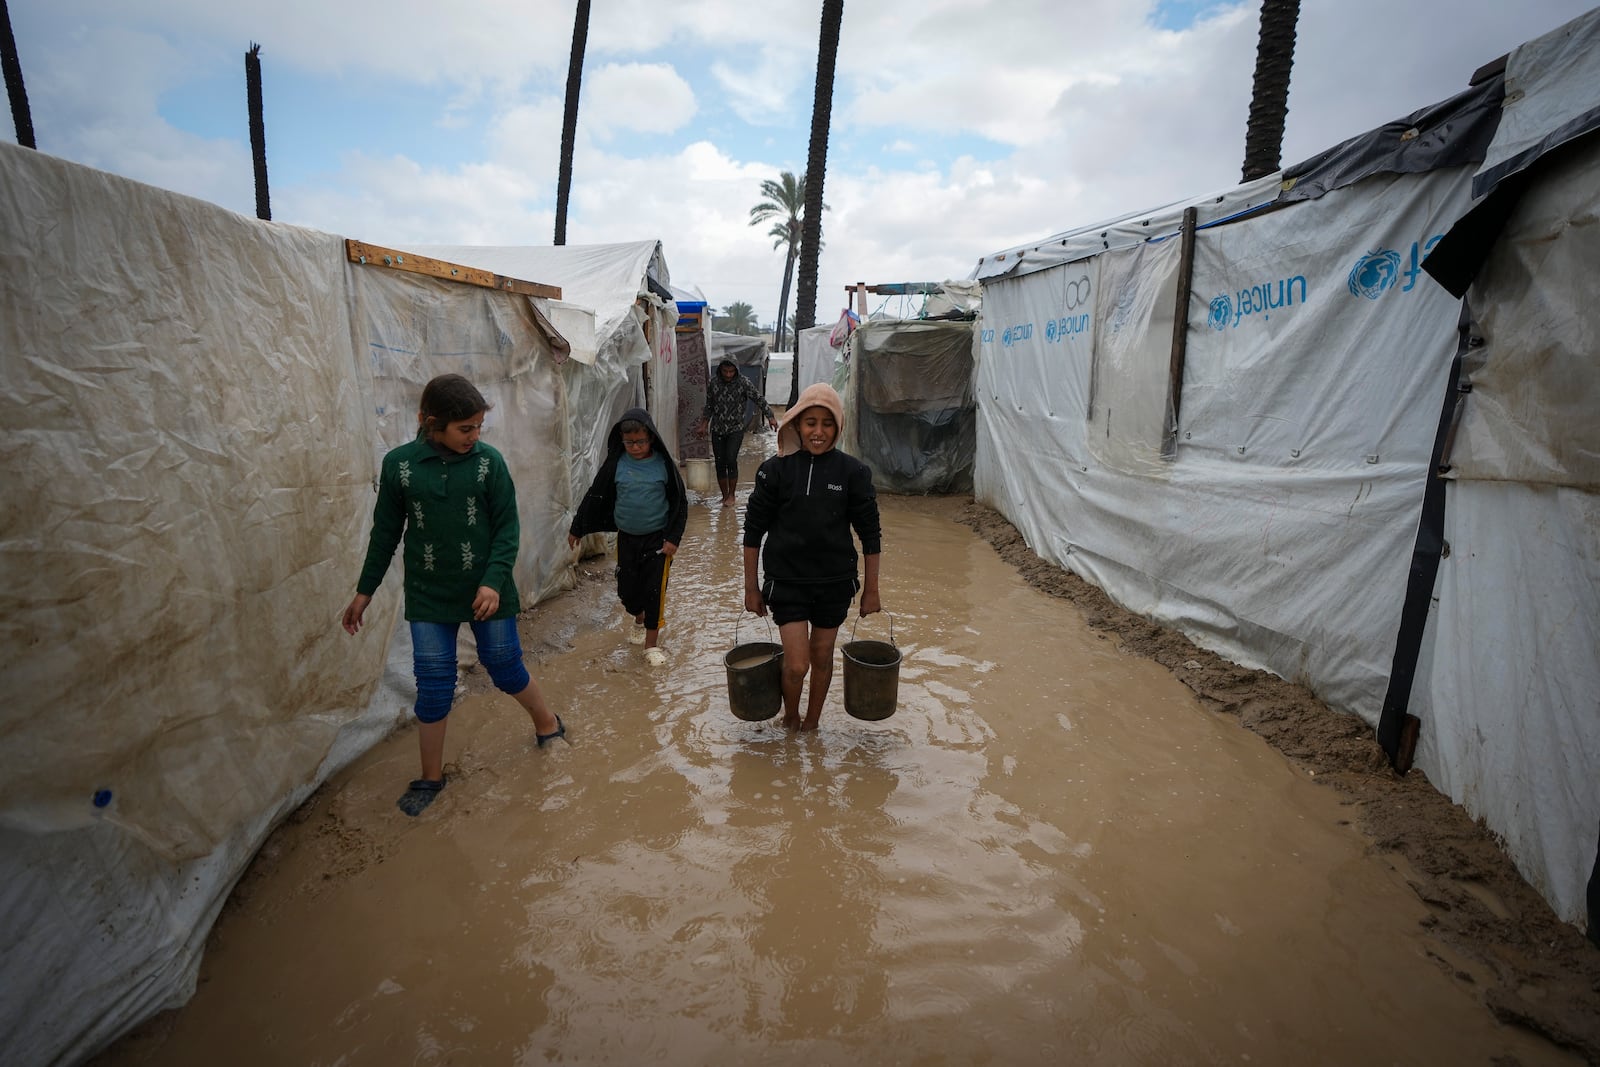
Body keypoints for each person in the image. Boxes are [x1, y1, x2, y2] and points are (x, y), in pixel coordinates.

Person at [343, 374, 566, 817]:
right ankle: (430, 777)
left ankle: (548, 724)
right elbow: (386, 533)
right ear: (430, 422)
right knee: (433, 684)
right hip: (429, 591)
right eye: (466, 428)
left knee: (504, 666)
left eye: (479, 427)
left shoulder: (489, 464)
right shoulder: (400, 466)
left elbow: (507, 529)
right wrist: (364, 591)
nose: (475, 436)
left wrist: (491, 580)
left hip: (489, 585)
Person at [742, 382, 882, 731]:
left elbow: (870, 535)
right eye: (810, 423)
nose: (818, 432)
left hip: (834, 583)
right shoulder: (774, 471)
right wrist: (751, 588)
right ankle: (790, 717)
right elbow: (753, 532)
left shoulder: (853, 473)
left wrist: (872, 589)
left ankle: (812, 725)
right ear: (796, 424)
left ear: (838, 427)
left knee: (822, 658)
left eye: (827, 423)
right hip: (787, 582)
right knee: (796, 665)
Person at [568, 407, 689, 667]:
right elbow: (595, 494)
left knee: (655, 591)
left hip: (658, 541)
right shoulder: (616, 464)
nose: (635, 446)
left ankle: (651, 645)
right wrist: (577, 527)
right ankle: (639, 616)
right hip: (627, 538)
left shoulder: (664, 465)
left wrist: (673, 539)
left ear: (652, 438)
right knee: (626, 591)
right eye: (629, 442)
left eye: (640, 441)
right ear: (622, 440)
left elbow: (680, 503)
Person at [698, 358, 779, 507]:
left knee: (730, 459)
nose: (728, 375)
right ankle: (724, 496)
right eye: (725, 371)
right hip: (717, 429)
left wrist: (771, 417)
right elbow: (709, 405)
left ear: (736, 370)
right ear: (720, 370)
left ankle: (732, 495)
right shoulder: (714, 383)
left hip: (735, 428)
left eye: (731, 371)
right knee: (720, 462)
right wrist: (703, 425)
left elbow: (759, 399)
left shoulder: (744, 383)